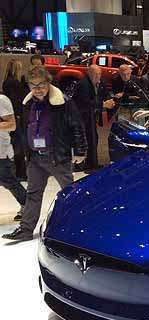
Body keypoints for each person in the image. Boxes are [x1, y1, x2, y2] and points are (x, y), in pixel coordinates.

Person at [2, 66, 87, 243]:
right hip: (35, 158)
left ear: (48, 83)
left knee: (69, 193)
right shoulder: (28, 103)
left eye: (41, 84)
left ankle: (79, 226)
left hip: (57, 157)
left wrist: (80, 150)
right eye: (33, 85)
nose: (37, 89)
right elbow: (25, 127)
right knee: (33, 194)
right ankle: (26, 230)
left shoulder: (63, 102)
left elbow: (77, 125)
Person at [72, 65, 116, 171]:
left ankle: (91, 163)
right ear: (89, 74)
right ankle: (80, 164)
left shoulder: (101, 82)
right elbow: (85, 102)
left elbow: (106, 95)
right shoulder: (83, 84)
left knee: (93, 138)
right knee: (83, 139)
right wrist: (103, 104)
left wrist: (110, 101)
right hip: (80, 116)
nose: (98, 76)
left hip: (92, 116)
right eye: (95, 74)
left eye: (99, 74)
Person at [0, 92, 27, 220]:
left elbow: (12, 125)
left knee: (9, 181)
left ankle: (27, 205)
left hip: (1, 151)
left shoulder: (1, 100)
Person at [2, 59, 28, 179]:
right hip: (16, 116)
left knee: (16, 144)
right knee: (19, 145)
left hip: (12, 115)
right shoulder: (14, 82)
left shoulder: (7, 81)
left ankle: (18, 171)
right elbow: (17, 100)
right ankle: (20, 172)